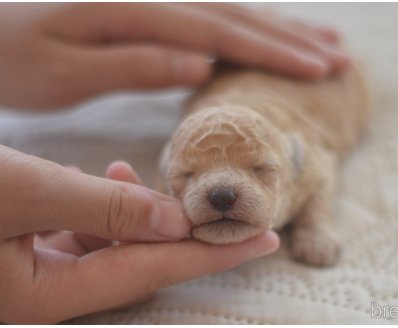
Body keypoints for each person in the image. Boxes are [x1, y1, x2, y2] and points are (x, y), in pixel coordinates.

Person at [0, 3, 348, 323]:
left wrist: (312, 226)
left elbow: (321, 169)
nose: (222, 194)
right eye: (187, 175)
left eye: (258, 169)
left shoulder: (299, 150)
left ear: (292, 160)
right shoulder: (182, 143)